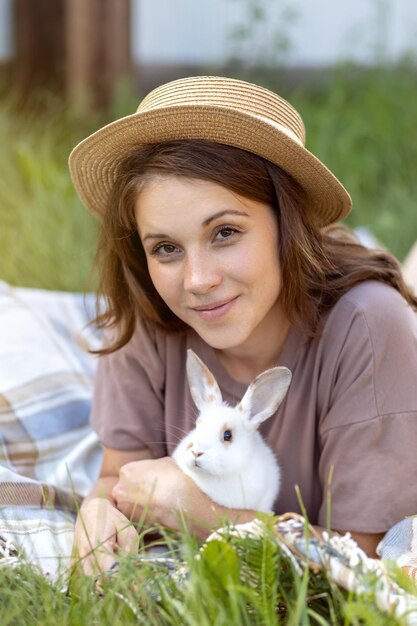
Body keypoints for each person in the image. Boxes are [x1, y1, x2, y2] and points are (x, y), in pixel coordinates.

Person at [68, 75, 417, 575]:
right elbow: (119, 477)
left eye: (225, 232)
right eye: (166, 248)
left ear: (287, 222)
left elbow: (372, 558)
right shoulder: (151, 312)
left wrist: (208, 516)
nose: (197, 281)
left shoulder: (369, 325)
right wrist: (101, 510)